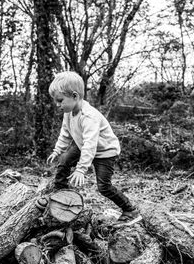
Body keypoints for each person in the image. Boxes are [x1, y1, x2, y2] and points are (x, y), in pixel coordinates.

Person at [47, 71, 138, 221]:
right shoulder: (68, 112)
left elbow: (90, 144)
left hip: (104, 151)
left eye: (60, 100)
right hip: (82, 145)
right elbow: (65, 133)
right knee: (64, 160)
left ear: (75, 96)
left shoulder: (89, 116)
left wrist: (81, 169)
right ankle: (60, 190)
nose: (57, 105)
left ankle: (130, 210)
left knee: (104, 187)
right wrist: (58, 150)